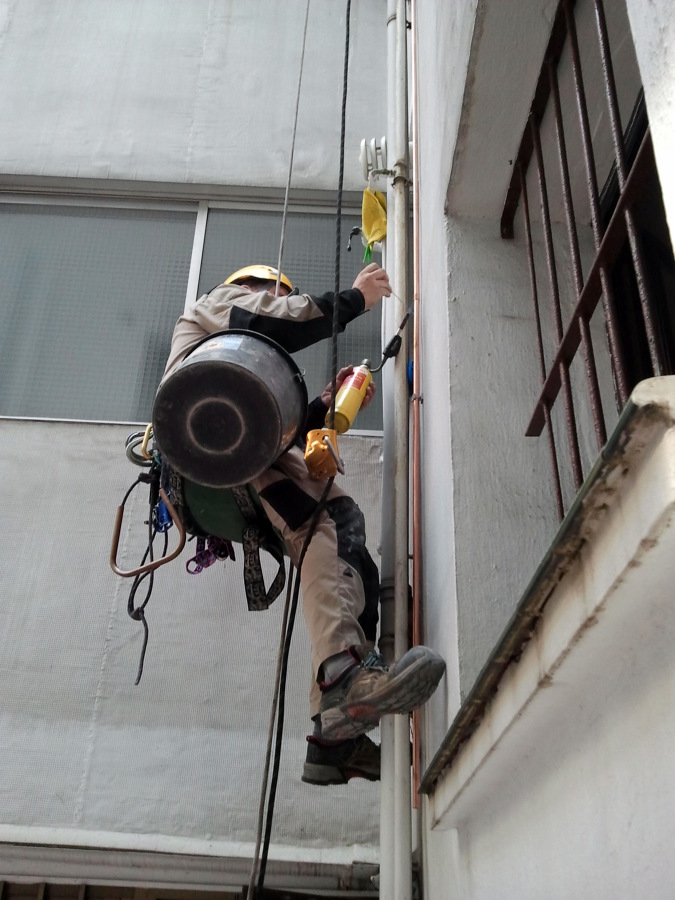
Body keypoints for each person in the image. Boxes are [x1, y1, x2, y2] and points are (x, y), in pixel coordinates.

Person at [161, 262, 445, 786]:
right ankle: (342, 676)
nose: (275, 299)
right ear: (250, 287)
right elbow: (272, 320)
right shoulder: (218, 305)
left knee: (344, 537)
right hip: (210, 440)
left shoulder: (241, 365)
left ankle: (335, 735)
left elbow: (281, 427)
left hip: (239, 449)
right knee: (317, 530)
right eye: (272, 292)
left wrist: (322, 406)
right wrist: (354, 299)